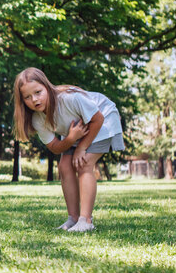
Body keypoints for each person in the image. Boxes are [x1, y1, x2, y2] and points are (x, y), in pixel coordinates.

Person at [13, 67, 124, 232]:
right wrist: (71, 138)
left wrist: (81, 147)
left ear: (47, 86)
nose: (34, 99)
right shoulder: (37, 118)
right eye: (28, 97)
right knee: (64, 165)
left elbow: (98, 119)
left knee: (84, 163)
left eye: (38, 92)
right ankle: (73, 218)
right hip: (79, 130)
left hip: (102, 119)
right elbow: (55, 148)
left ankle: (85, 221)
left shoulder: (69, 99)